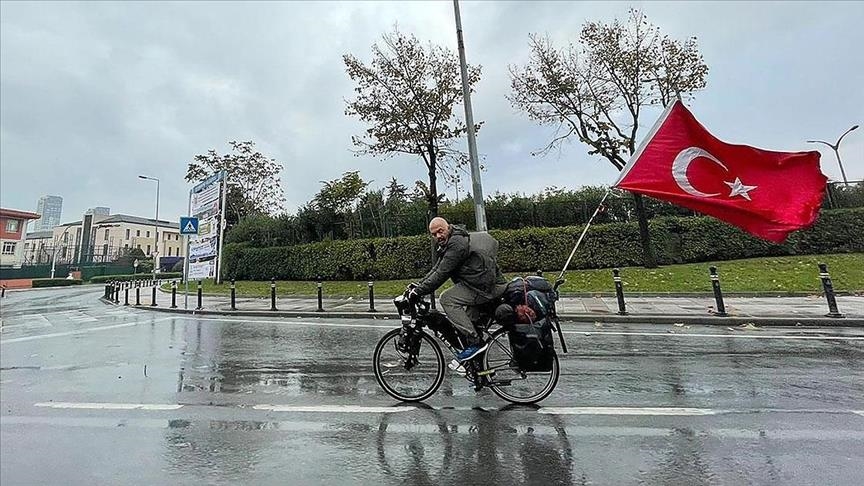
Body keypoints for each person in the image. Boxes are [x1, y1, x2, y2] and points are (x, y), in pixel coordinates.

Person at [408, 217, 507, 361]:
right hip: (479, 284)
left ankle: (475, 342)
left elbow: (442, 273)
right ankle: (479, 373)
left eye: (440, 231)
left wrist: (419, 291)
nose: (438, 236)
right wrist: (418, 285)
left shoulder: (457, 245)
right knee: (467, 323)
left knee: (447, 299)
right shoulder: (452, 240)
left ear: (447, 227)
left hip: (486, 288)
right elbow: (437, 268)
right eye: (434, 234)